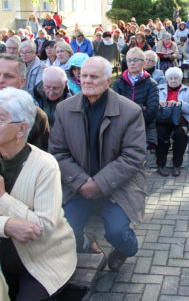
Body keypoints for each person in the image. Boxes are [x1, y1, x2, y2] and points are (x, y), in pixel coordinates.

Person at [48, 56, 146, 272]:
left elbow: (133, 156)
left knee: (117, 233)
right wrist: (82, 182)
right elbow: (57, 152)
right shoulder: (65, 109)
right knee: (63, 230)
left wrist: (99, 184)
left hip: (119, 186)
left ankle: (125, 250)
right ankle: (86, 242)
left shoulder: (130, 111)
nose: (87, 81)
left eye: (94, 76)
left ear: (108, 80)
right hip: (77, 185)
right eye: (83, 76)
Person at [0, 87, 76, 300]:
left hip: (41, 260)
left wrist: (3, 199)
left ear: (21, 128)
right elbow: (17, 226)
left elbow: (42, 228)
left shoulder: (45, 165)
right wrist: (6, 225)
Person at [0, 53, 50, 150]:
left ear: (22, 82)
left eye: (8, 76)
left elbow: (38, 158)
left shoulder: (37, 117)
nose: (1, 80)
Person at [114, 48, 159, 148]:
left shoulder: (152, 84)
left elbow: (152, 111)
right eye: (129, 60)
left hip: (144, 128)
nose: (132, 63)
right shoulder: (119, 83)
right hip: (122, 128)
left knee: (136, 151)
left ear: (143, 63)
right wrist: (140, 107)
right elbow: (114, 108)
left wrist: (127, 110)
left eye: (135, 60)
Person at [156, 67, 189, 177]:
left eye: (176, 78)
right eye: (171, 78)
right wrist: (159, 103)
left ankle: (176, 165)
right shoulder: (159, 89)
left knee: (181, 134)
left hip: (180, 121)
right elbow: (152, 105)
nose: (173, 80)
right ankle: (161, 165)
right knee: (160, 132)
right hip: (163, 120)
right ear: (167, 80)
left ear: (181, 79)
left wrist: (180, 104)